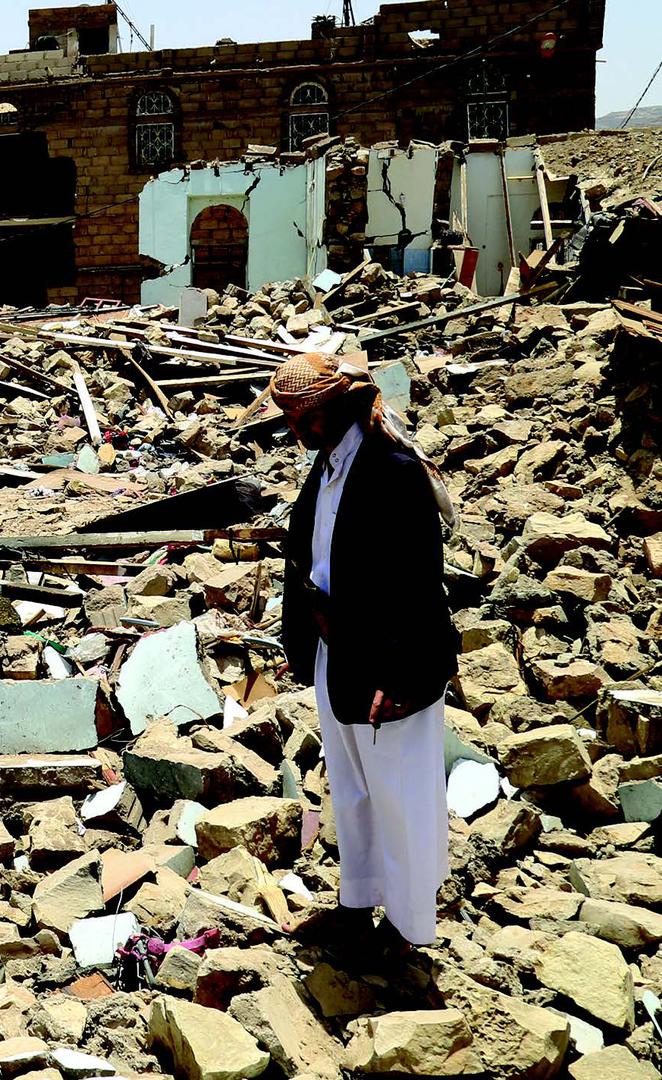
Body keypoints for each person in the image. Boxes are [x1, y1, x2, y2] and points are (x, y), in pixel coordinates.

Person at [269, 351, 458, 949]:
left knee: (400, 795)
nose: (295, 430)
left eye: (303, 417)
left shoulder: (391, 469)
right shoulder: (327, 463)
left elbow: (418, 582)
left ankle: (407, 930)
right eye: (289, 418)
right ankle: (356, 904)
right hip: (338, 652)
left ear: (336, 407)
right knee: (351, 786)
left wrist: (397, 674)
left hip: (390, 662)